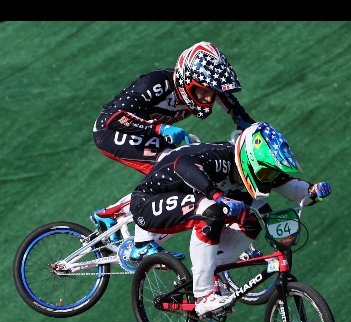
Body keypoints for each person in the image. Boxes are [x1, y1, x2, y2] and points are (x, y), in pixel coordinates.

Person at [129, 122, 332, 317]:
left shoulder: (256, 169)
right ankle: (203, 295)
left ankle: (217, 270)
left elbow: (294, 189)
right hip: (148, 201)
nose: (268, 178)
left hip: (189, 199)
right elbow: (182, 163)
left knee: (256, 212)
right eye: (265, 172)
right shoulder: (221, 159)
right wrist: (217, 196)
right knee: (210, 212)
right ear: (248, 159)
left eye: (271, 173)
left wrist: (313, 191)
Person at [90, 41, 255, 260]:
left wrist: (248, 125)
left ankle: (111, 215)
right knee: (170, 169)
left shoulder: (207, 88)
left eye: (212, 93)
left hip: (147, 133)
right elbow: (113, 118)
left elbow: (231, 104)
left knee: (186, 166)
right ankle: (142, 243)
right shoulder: (155, 84)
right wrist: (159, 128)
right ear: (187, 82)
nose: (208, 99)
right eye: (204, 92)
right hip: (113, 131)